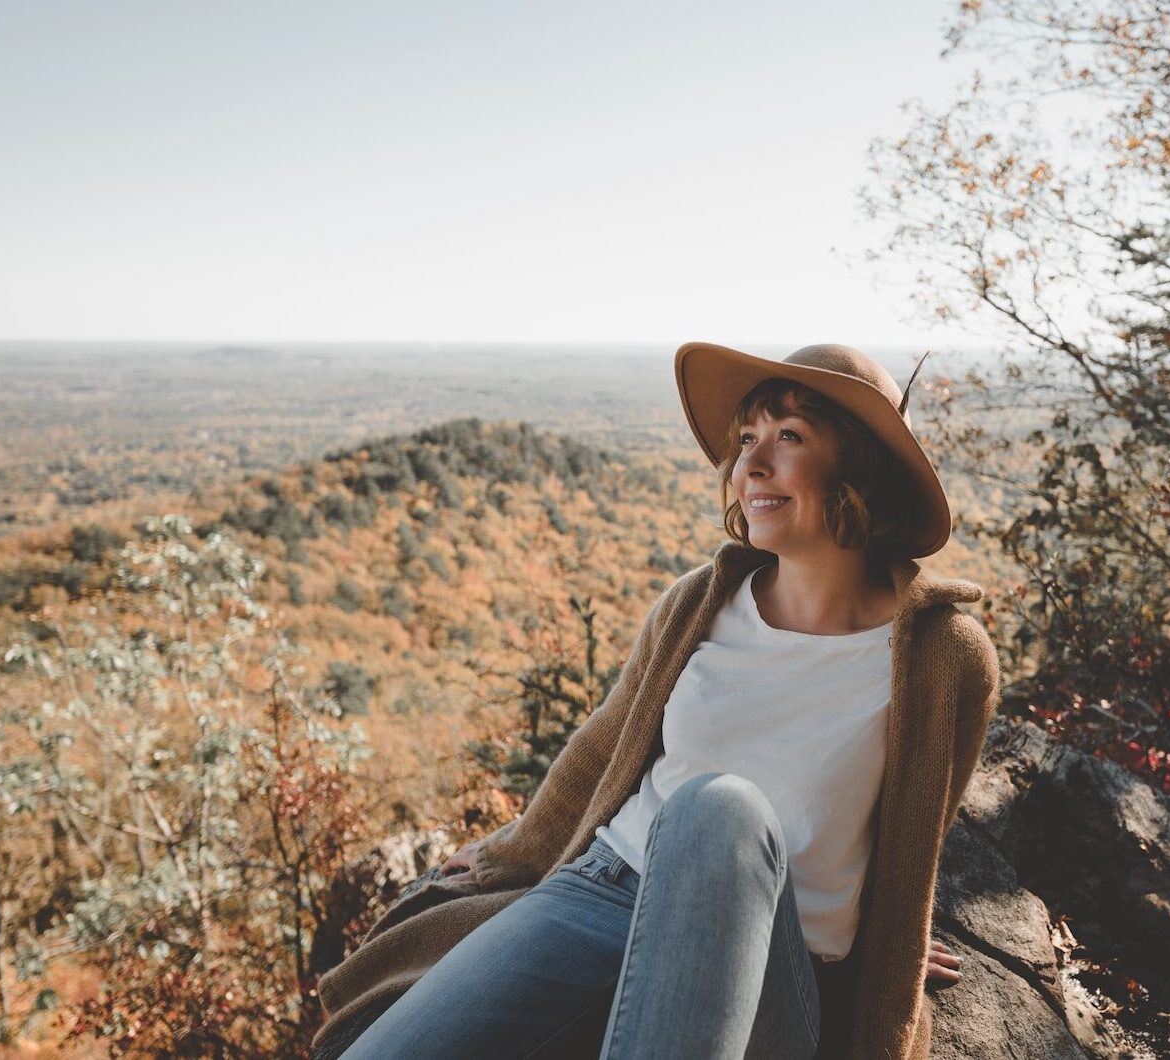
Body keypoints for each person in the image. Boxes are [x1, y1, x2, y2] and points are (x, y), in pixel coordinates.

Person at [311, 343, 1002, 1060]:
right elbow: (607, 743)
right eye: (745, 441)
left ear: (860, 468)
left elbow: (912, 838)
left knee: (718, 809)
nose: (750, 466)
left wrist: (894, 949)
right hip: (604, 890)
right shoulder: (700, 604)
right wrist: (510, 853)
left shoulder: (942, 656)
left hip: (772, 953)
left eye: (788, 437)